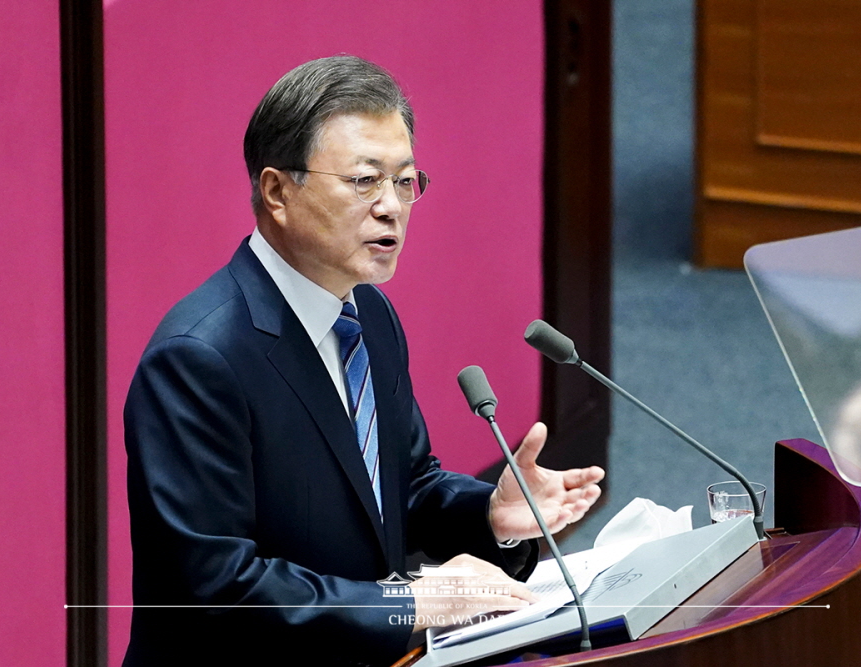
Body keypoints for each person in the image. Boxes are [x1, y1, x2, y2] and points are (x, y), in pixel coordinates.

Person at [122, 55, 605, 666]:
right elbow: (218, 588)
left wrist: (491, 514)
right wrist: (409, 601)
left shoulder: (369, 317)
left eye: (405, 181)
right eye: (363, 181)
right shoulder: (198, 359)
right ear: (277, 191)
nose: (392, 207)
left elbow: (405, 487)